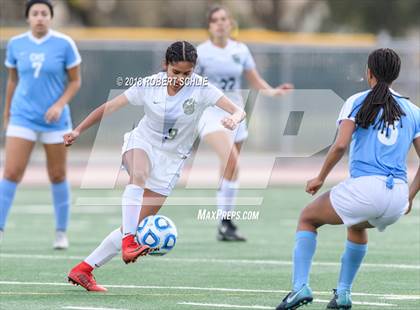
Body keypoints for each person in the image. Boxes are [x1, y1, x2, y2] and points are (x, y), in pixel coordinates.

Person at [64, 41, 246, 292]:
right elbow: (109, 107)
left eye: (187, 73)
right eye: (176, 72)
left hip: (171, 163)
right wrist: (78, 130)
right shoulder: (150, 85)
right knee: (138, 176)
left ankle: (84, 270)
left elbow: (238, 110)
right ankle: (129, 243)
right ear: (165, 66)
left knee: (136, 226)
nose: (181, 78)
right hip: (142, 143)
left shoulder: (202, 88)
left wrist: (233, 118)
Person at [276, 48, 419, 310]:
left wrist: (320, 177)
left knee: (308, 218)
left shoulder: (357, 101)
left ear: (369, 73)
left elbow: (340, 145)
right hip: (397, 196)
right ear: (396, 75)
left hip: (366, 189)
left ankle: (299, 288)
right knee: (357, 226)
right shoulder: (413, 110)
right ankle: (342, 293)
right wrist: (409, 196)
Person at [196, 5, 293, 241]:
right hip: (211, 115)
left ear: (230, 23)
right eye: (215, 20)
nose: (220, 23)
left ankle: (224, 224)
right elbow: (189, 83)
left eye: (224, 19)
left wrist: (272, 92)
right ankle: (225, 222)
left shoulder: (240, 50)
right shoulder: (201, 52)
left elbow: (254, 79)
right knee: (232, 161)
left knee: (229, 169)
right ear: (210, 26)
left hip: (237, 113)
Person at [0, 0, 81, 249]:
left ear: (51, 17)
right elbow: (13, 81)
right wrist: (7, 113)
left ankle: (60, 232)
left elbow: (75, 82)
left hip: (55, 122)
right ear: (28, 18)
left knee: (57, 174)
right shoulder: (16, 44)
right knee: (11, 173)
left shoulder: (64, 44)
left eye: (44, 13)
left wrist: (59, 105)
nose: (39, 18)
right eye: (35, 13)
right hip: (22, 116)